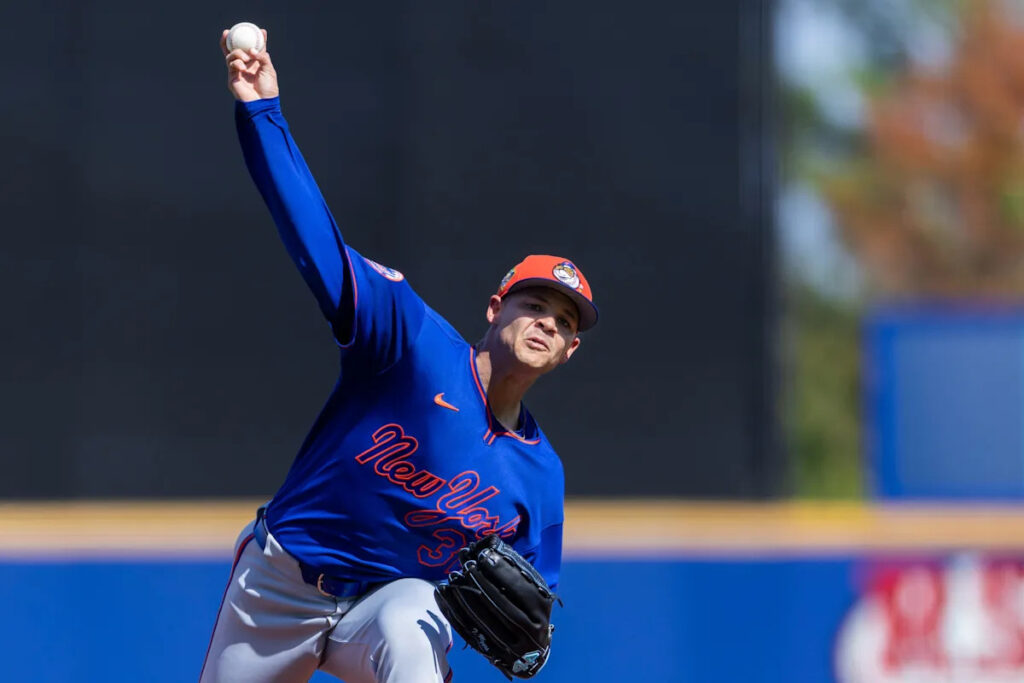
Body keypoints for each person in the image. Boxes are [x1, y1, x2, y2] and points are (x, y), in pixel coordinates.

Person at [201, 27, 599, 683]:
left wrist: (527, 631)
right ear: (496, 307)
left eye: (562, 322)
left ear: (569, 350)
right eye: (534, 304)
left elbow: (532, 613)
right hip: (282, 583)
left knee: (414, 616)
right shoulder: (411, 345)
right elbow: (316, 244)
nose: (545, 323)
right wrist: (262, 112)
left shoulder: (539, 476)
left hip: (385, 606)